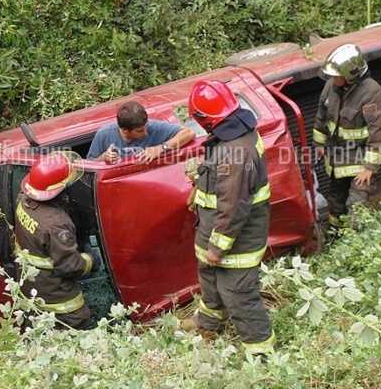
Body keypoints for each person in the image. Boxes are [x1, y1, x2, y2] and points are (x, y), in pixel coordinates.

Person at [181, 79, 276, 357]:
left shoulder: (236, 152)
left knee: (238, 295)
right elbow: (222, 180)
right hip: (213, 232)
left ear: (206, 119)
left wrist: (218, 247)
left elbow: (233, 206)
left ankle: (261, 353)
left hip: (236, 242)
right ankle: (209, 322)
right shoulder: (233, 133)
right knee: (209, 280)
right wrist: (200, 181)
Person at [14, 151, 101, 330]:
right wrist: (91, 260)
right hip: (60, 302)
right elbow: (70, 266)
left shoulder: (24, 199)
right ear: (60, 188)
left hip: (32, 288)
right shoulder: (56, 225)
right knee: (78, 328)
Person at [312, 43, 381, 229]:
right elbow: (322, 117)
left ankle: (358, 243)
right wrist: (319, 145)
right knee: (336, 204)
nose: (332, 78)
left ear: (350, 76)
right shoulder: (331, 87)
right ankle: (337, 238)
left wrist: (369, 168)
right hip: (337, 159)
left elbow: (378, 132)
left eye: (337, 76)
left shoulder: (372, 93)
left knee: (356, 206)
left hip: (360, 161)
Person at [86, 100, 195, 164]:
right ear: (125, 130)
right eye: (139, 131)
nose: (146, 132)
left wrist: (160, 148)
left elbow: (189, 133)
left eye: (145, 127)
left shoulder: (152, 127)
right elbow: (89, 165)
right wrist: (104, 157)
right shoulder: (104, 135)